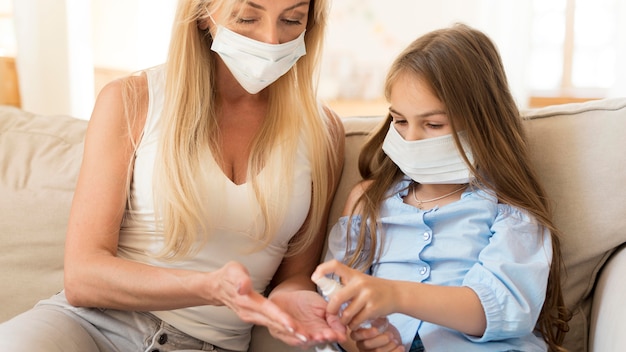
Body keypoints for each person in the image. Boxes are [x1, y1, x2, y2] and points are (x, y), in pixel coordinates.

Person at [0, 0, 346, 351]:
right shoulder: (132, 99)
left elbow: (294, 276)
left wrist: (291, 301)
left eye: (291, 20)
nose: (271, 40)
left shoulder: (323, 134)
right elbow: (83, 277)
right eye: (247, 18)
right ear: (202, 17)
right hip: (87, 326)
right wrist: (208, 287)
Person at [312, 23, 570, 352]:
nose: (412, 139)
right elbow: (339, 308)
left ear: (482, 123)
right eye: (400, 121)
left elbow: (504, 306)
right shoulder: (368, 201)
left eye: (433, 124)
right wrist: (360, 341)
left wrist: (395, 295)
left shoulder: (508, 205)